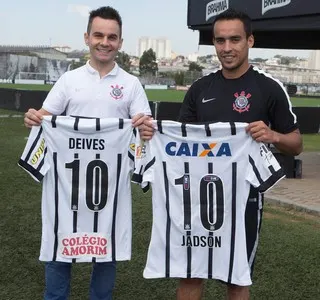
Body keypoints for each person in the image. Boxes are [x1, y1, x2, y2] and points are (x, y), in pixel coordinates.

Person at [140, 8, 302, 300]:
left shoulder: (269, 88)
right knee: (190, 275)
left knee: (236, 279)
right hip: (194, 199)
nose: (226, 48)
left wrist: (273, 135)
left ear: (250, 41)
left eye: (234, 40)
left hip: (244, 199)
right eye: (220, 40)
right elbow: (181, 141)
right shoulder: (201, 88)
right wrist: (154, 137)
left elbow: (296, 143)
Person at [24, 6, 151, 300]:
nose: (104, 42)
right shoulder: (69, 80)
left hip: (110, 195)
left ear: (120, 42)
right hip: (65, 191)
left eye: (112, 36)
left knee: (105, 265)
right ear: (87, 37)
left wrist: (146, 128)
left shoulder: (130, 84)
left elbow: (144, 128)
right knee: (58, 257)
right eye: (98, 35)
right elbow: (44, 117)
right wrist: (34, 118)